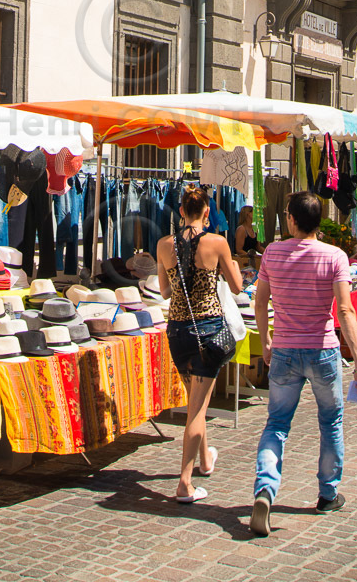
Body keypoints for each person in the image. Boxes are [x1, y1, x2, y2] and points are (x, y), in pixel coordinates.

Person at [249, 191, 357, 538]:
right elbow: (346, 310)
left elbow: (261, 302)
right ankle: (328, 494)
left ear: (291, 219)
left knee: (276, 424)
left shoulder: (272, 252)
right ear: (319, 221)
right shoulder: (335, 256)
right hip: (322, 350)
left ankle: (265, 489)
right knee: (330, 422)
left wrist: (266, 340)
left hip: (285, 350)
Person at [157, 185, 243, 504]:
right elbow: (236, 286)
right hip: (207, 329)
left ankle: (205, 460)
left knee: (196, 400)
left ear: (181, 212)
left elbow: (165, 291)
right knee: (196, 410)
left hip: (177, 330)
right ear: (206, 212)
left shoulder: (165, 245)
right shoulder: (217, 242)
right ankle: (184, 483)